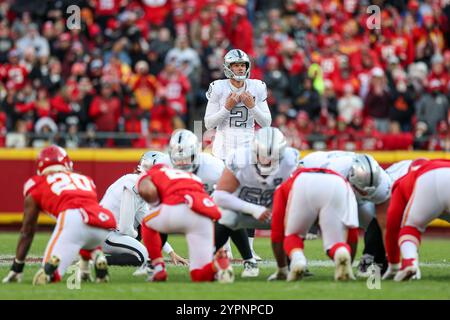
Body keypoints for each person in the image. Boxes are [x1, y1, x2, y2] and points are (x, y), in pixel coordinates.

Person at [2, 145, 115, 285]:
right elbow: (87, 218)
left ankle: (51, 271)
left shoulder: (36, 183)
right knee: (85, 232)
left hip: (72, 219)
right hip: (102, 223)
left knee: (44, 278)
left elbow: (27, 231)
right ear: (67, 163)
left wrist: (17, 268)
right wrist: (85, 268)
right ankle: (96, 256)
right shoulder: (85, 179)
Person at [213, 127, 300, 278]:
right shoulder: (240, 158)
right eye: (263, 155)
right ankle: (242, 260)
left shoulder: (290, 160)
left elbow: (302, 195)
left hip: (276, 214)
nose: (267, 161)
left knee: (297, 216)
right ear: (254, 150)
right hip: (244, 213)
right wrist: (252, 209)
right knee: (225, 215)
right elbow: (219, 196)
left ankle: (293, 263)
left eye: (273, 156)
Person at [299, 151, 392, 277]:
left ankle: (371, 260)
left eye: (368, 192)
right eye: (361, 189)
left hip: (355, 197)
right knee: (299, 221)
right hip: (316, 184)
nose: (365, 193)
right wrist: (312, 224)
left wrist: (392, 257)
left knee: (377, 222)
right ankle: (293, 260)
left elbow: (384, 223)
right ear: (351, 177)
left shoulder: (383, 183)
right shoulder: (331, 174)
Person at [137, 163, 234, 283]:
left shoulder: (153, 174)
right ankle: (218, 265)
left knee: (147, 222)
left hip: (177, 208)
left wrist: (156, 204)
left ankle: (158, 269)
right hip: (203, 217)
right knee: (199, 275)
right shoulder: (189, 175)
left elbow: (147, 190)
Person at [99, 150, 188, 278]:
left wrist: (171, 252)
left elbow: (150, 223)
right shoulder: (132, 183)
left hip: (110, 233)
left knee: (148, 226)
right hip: (105, 233)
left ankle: (98, 256)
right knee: (143, 256)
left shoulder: (139, 186)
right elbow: (125, 228)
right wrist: (135, 237)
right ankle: (95, 259)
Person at [270, 167, 359, 281]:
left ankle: (298, 260)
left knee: (293, 235)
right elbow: (352, 231)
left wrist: (282, 269)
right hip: (338, 182)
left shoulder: (286, 184)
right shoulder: (344, 177)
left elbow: (277, 234)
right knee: (336, 243)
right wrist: (349, 264)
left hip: (303, 182)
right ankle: (340, 251)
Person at [383, 159, 450, 281]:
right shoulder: (439, 162)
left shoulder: (403, 181)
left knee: (410, 228)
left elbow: (392, 226)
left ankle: (410, 262)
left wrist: (393, 264)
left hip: (427, 179)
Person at [204, 48, 271, 161]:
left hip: (248, 149)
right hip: (223, 150)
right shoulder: (218, 87)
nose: (240, 68)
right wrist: (226, 108)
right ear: (228, 67)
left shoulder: (257, 86)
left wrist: (252, 106)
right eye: (236, 65)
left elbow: (266, 123)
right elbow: (209, 124)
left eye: (243, 65)